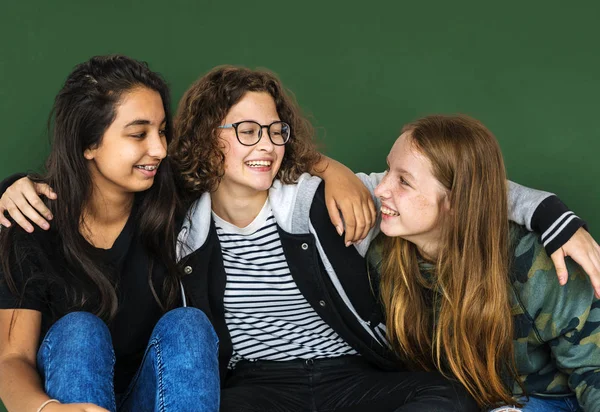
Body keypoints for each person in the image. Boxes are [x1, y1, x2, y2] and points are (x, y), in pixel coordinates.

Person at [3, 64, 599, 411]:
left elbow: (452, 187)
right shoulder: (177, 217)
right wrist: (8, 188)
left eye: (276, 130)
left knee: (445, 401)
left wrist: (550, 213)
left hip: (352, 372)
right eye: (246, 130)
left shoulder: (324, 199)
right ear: (210, 138)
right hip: (258, 384)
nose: (265, 142)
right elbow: (85, 190)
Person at [0, 55, 220, 412]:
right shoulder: (30, 221)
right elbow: (11, 359)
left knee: (189, 326)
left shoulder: (177, 208)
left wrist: (332, 173)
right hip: (69, 399)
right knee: (79, 331)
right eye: (138, 134)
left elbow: (257, 161)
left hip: (157, 394)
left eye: (162, 131)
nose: (160, 150)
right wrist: (47, 409)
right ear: (88, 142)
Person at [368, 115, 600, 411]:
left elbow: (594, 370)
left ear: (455, 201)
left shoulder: (535, 264)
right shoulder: (383, 256)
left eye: (403, 181)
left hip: (546, 399)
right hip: (452, 400)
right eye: (388, 170)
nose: (380, 189)